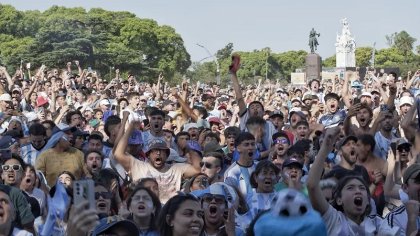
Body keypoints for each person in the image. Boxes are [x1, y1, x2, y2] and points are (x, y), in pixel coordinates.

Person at [307, 127, 398, 235]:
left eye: (362, 188)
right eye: (350, 188)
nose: (358, 191)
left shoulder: (377, 224)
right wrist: (325, 148)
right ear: (339, 199)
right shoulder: (334, 219)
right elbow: (312, 186)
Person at [114, 120, 201, 203]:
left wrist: (191, 149)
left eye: (162, 150)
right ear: (148, 155)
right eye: (154, 151)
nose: (158, 153)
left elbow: (197, 169)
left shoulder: (176, 168)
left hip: (169, 210)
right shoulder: (138, 166)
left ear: (167, 155)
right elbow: (118, 154)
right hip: (146, 209)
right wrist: (130, 128)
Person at [224, 132, 257, 203]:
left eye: (253, 144)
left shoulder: (260, 167)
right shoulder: (231, 172)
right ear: (238, 148)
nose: (250, 147)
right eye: (246, 144)